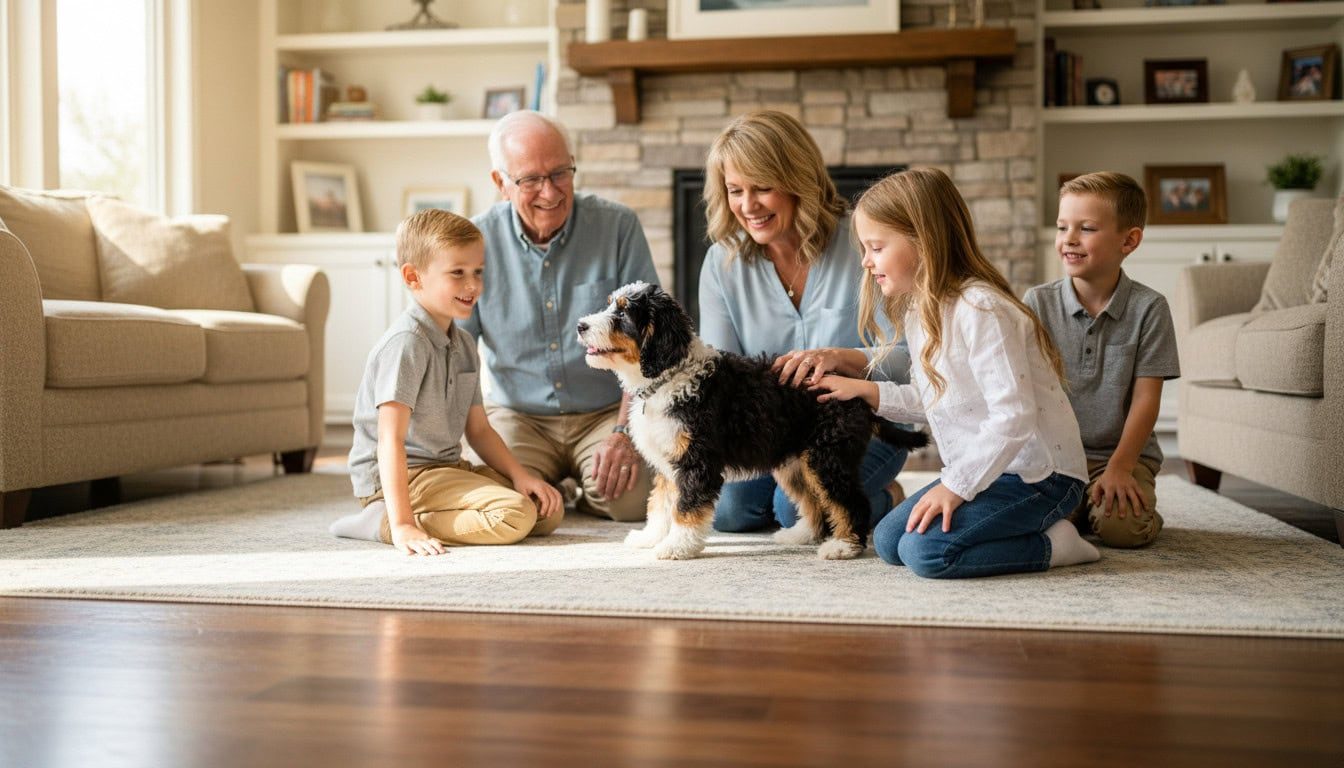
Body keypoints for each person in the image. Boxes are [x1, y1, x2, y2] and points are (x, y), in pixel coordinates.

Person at [810, 167, 1099, 579]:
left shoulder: (981, 309)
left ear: (923, 243)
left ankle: (1056, 543)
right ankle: (1017, 526)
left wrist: (956, 487)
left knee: (927, 553)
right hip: (992, 471)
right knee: (892, 542)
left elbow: (1014, 414)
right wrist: (865, 392)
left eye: (875, 247)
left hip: (1040, 476)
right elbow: (939, 401)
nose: (865, 261)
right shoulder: (921, 310)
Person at [697, 109, 912, 534]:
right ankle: (860, 499)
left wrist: (840, 357)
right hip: (771, 428)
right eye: (735, 190)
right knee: (729, 512)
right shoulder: (721, 262)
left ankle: (886, 500)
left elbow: (910, 360)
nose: (747, 205)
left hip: (861, 421)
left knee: (796, 510)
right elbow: (717, 373)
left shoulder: (862, 245)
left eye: (762, 188)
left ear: (798, 181)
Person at [464, 111, 659, 522]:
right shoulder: (473, 242)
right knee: (508, 510)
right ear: (500, 183)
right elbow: (457, 353)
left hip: (605, 413)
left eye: (560, 173)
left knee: (635, 502)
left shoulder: (618, 226)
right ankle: (560, 485)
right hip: (519, 418)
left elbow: (649, 341)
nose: (549, 192)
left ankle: (580, 488)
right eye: (530, 179)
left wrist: (624, 432)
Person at [331, 209, 562, 555]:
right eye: (458, 273)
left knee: (546, 511)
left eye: (478, 272)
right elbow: (389, 440)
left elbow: (480, 431)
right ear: (413, 277)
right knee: (515, 515)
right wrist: (404, 525)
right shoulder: (406, 344)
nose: (473, 286)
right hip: (402, 476)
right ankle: (382, 522)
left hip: (445, 468)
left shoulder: (465, 344)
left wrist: (521, 475)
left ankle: (410, 515)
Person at [1025, 172, 1180, 549]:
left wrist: (1121, 467)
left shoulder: (1150, 308)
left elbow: (1146, 400)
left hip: (1121, 456)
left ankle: (1131, 511)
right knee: (1031, 522)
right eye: (1063, 227)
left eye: (1087, 228)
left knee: (1121, 530)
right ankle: (1078, 510)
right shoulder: (1037, 303)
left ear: (1129, 240)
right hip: (1055, 458)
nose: (1069, 239)